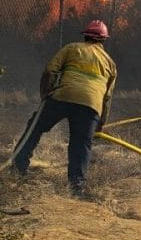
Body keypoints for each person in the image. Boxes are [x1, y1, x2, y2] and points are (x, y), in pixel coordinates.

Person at [9, 19, 117, 196]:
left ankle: (18, 168)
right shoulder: (111, 64)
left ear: (85, 36)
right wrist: (100, 122)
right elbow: (107, 97)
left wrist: (46, 94)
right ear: (104, 39)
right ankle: (77, 187)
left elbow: (50, 71)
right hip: (90, 106)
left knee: (35, 127)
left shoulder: (72, 48)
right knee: (80, 144)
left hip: (62, 97)